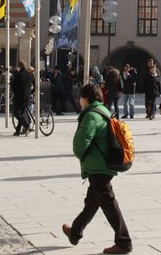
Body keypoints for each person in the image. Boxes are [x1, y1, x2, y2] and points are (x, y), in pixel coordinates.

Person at [62, 83, 132, 254]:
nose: (79, 101)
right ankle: (76, 232)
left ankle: (124, 242)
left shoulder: (91, 116)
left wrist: (81, 155)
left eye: (80, 97)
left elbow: (80, 144)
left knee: (108, 202)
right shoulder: (104, 111)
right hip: (103, 163)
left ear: (86, 98)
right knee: (92, 202)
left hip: (98, 166)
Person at [11, 61, 35, 136]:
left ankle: (26, 125)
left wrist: (15, 93)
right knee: (22, 113)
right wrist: (30, 93)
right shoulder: (30, 74)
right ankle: (18, 131)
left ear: (19, 66)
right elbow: (35, 85)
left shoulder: (18, 75)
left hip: (19, 97)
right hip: (27, 97)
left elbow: (13, 86)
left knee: (16, 113)